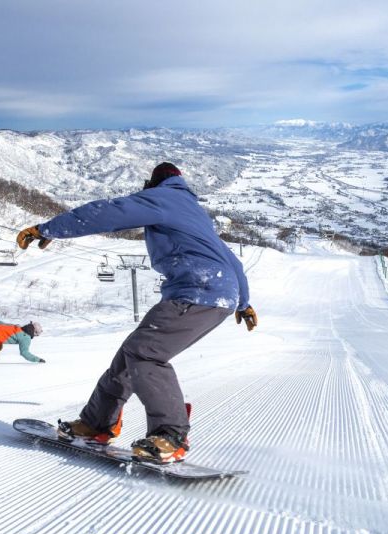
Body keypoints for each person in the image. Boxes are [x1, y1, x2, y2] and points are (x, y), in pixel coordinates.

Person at [16, 162, 256, 464]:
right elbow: (229, 258)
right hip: (212, 292)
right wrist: (243, 302)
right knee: (131, 355)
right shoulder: (193, 210)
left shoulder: (163, 198)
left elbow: (109, 212)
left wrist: (48, 228)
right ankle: (96, 423)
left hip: (198, 289)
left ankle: (171, 435)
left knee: (145, 353)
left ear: (152, 184)